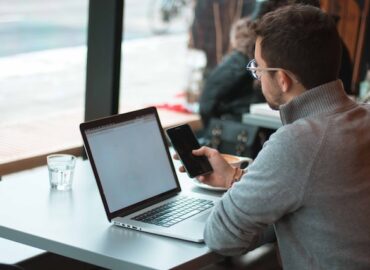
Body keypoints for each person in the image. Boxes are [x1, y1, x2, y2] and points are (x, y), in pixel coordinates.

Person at [176, 4, 370, 269]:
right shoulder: (362, 118)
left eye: (258, 67)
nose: (256, 76)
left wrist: (241, 192)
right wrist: (234, 178)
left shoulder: (298, 142)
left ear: (282, 79)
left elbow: (221, 237)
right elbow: (309, 198)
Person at [199, 17, 265, 129]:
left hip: (237, 126)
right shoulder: (258, 62)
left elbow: (206, 103)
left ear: (235, 38)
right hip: (253, 124)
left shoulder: (235, 62)